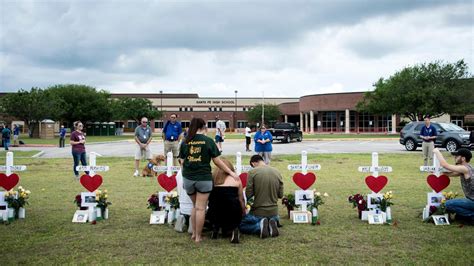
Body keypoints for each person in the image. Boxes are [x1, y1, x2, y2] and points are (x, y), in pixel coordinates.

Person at [178, 117, 239, 243]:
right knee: (201, 208)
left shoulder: (185, 141)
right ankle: (198, 237)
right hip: (204, 178)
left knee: (194, 207)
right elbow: (217, 161)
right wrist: (231, 172)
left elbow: (181, 161)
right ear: (203, 127)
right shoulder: (208, 141)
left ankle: (194, 234)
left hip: (189, 178)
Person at [240, 154, 283, 238]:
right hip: (274, 212)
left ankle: (260, 227)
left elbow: (249, 193)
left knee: (241, 225)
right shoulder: (277, 171)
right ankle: (271, 223)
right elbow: (280, 195)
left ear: (253, 163)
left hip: (258, 212)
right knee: (271, 218)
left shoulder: (252, 172)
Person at [207, 158, 245, 244]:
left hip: (215, 211)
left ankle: (216, 227)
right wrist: (243, 210)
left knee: (216, 207)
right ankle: (234, 229)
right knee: (234, 210)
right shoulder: (236, 179)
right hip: (232, 211)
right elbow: (241, 198)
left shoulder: (212, 179)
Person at [433, 148, 474, 225]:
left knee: (447, 204)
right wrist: (435, 171)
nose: (455, 157)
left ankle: (472, 215)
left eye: (457, 156)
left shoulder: (464, 168)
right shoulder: (467, 168)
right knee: (455, 208)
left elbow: (445, 165)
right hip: (471, 200)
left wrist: (437, 152)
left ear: (463, 158)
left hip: (472, 202)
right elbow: (449, 174)